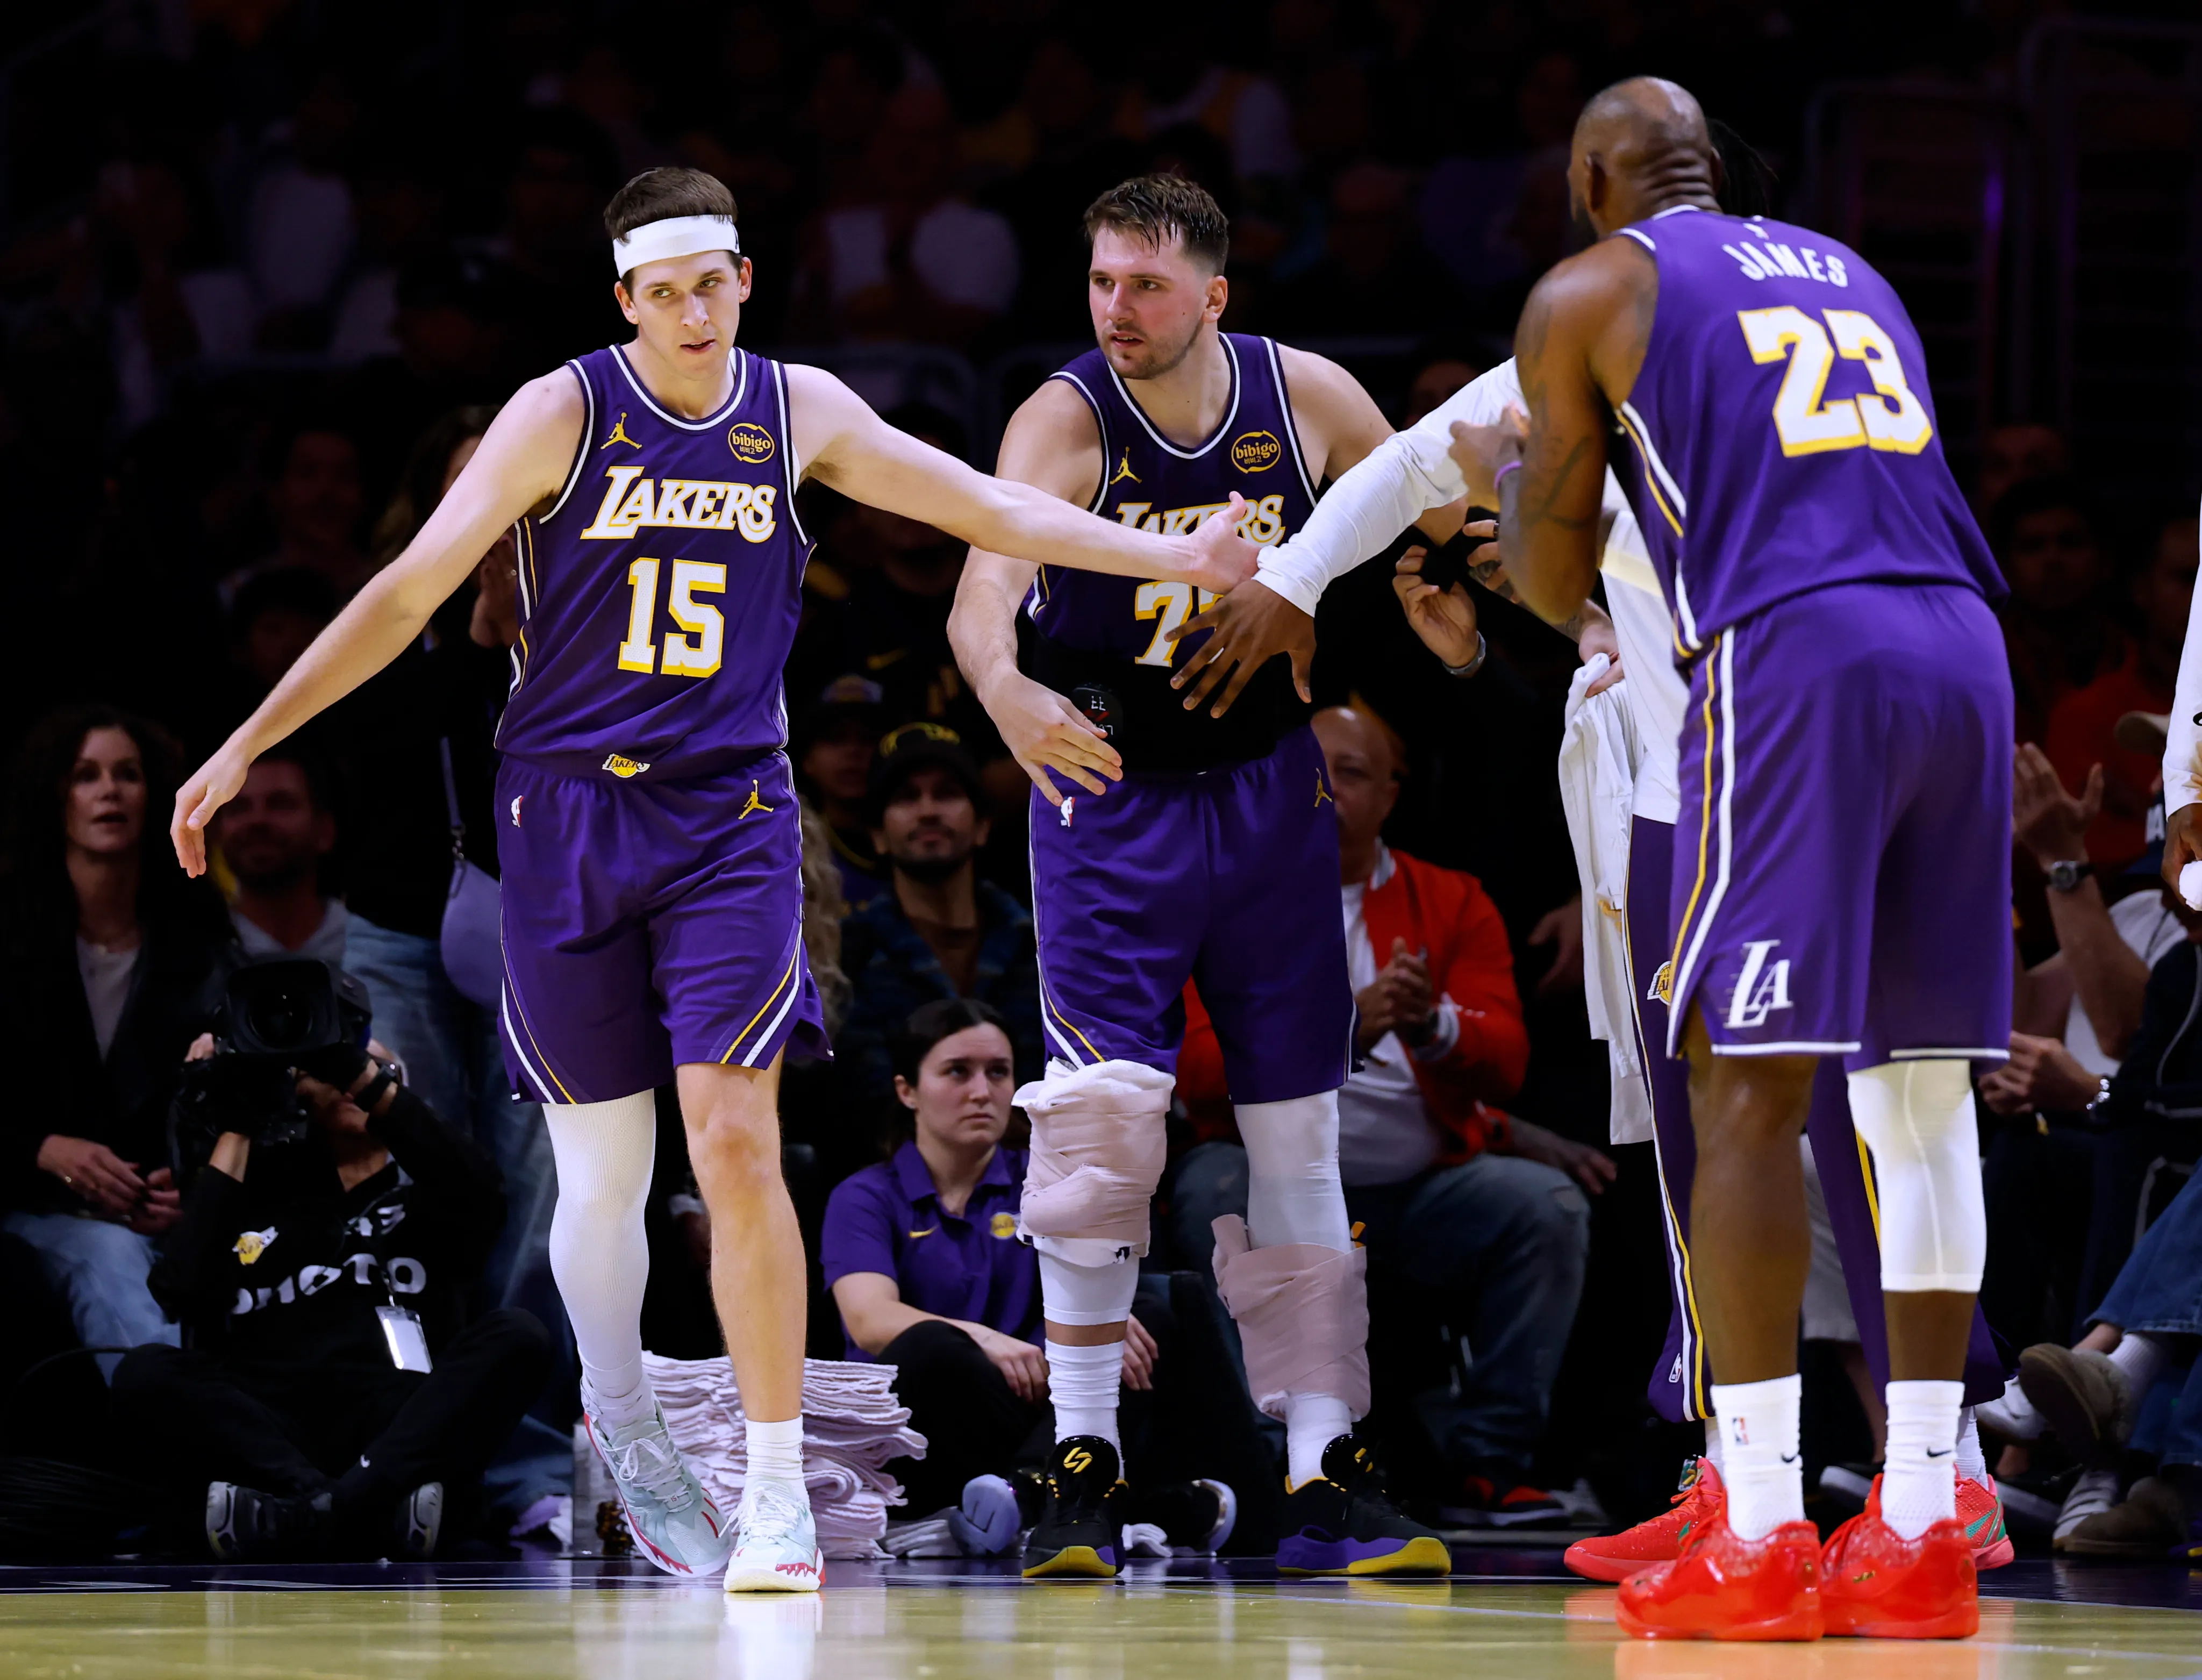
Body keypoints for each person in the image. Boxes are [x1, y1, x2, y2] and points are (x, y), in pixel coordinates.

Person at [169, 166, 1257, 1593]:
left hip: (731, 817)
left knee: (736, 1137)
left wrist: (1169, 546)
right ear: (625, 298)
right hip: (563, 817)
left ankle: (774, 1486)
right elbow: (405, 592)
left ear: (747, 278)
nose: (691, 308)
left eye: (713, 280)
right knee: (602, 1175)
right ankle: (621, 1404)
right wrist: (249, 739)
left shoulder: (797, 410)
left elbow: (983, 502)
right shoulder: (561, 411)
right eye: (662, 288)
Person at [1445, 78, 2012, 1639]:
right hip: (1962, 643)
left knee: (1740, 1073)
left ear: (1590, 178)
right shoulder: (1850, 267)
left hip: (1797, 649)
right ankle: (1919, 1520)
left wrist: (1513, 500)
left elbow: (1555, 581)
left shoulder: (1587, 289)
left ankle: (1758, 1523)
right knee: (1919, 1091)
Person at [947, 173, 1459, 1580]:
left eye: (1148, 286)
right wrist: (1003, 690)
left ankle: (1321, 1467)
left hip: (1269, 794)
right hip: (1112, 800)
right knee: (1102, 1138)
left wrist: (1525, 603)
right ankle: (1085, 1458)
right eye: (1102, 281)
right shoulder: (1063, 415)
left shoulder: (1305, 400)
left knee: (1299, 1140)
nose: (1117, 309)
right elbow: (979, 591)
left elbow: (1441, 507)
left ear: (1214, 296)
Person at [1169, 704, 1598, 1522]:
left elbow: (1507, 1061)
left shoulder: (1452, 899)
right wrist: (1340, 1029)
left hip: (1417, 1186)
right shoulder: (1224, 895)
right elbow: (1193, 1073)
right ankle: (1267, 1462)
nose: (1326, 783)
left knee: (1542, 1207)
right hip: (1265, 1181)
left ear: (1394, 795)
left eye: (1354, 771)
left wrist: (1431, 1022)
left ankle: (1489, 1467)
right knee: (1207, 1186)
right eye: (1309, 765)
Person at [113, 1010, 551, 1561]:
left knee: (520, 1333)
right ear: (296, 1093)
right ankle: (354, 1508)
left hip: (399, 1425)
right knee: (145, 1368)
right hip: (275, 1429)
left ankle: (313, 1514)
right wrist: (238, 1117)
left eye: (375, 1069)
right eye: (332, 1070)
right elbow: (178, 1288)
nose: (355, 1079)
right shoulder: (252, 1201)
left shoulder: (436, 1197)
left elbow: (481, 1185)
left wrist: (355, 1069)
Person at [825, 998, 1249, 1560]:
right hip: (931, 1415)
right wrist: (986, 1338)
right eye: (958, 1071)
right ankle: (1132, 1501)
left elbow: (1098, 1293)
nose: (983, 1091)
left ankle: (1030, 1490)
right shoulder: (866, 1194)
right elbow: (870, 1318)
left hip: (1040, 1404)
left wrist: (1077, 1341)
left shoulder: (1048, 1177)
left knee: (1139, 1316)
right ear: (907, 1091)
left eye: (998, 1072)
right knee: (932, 1346)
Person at [0, 708, 232, 1379]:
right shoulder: (10, 940)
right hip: (30, 1206)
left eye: (128, 774)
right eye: (86, 775)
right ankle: (178, 1452)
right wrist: (43, 1150)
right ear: (55, 796)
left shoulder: (200, 950)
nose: (110, 791)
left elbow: (230, 1109)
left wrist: (184, 1186)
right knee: (108, 1256)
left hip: (157, 1217)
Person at [837, 725, 1044, 1106]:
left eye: (947, 793)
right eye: (906, 797)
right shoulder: (845, 956)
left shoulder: (1044, 946)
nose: (928, 810)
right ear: (878, 835)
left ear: (983, 825)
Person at [213, 750, 347, 964]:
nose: (257, 820)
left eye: (280, 804)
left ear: (325, 831)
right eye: (239, 808)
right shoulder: (191, 954)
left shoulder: (375, 947)